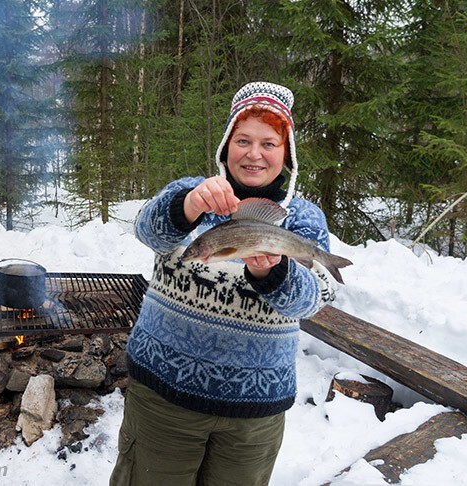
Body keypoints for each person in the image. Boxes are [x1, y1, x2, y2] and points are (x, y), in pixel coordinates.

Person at [110, 82, 339, 486]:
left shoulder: (302, 218)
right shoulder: (192, 193)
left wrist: (274, 272)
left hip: (254, 414)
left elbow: (316, 297)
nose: (254, 153)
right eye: (243, 140)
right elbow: (149, 230)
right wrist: (189, 206)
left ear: (286, 155)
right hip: (164, 399)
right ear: (225, 146)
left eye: (269, 143)